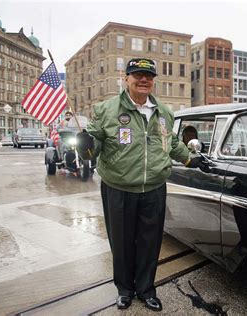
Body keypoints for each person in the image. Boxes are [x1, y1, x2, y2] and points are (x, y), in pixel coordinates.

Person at [76, 58, 207, 312]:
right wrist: (86, 146)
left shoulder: (164, 113)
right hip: (119, 189)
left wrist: (192, 160)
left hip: (154, 189)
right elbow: (94, 148)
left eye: (148, 75)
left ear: (153, 80)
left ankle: (146, 290)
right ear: (126, 78)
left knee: (150, 243)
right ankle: (125, 290)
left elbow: (172, 145)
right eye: (137, 74)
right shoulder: (107, 110)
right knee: (122, 244)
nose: (143, 79)